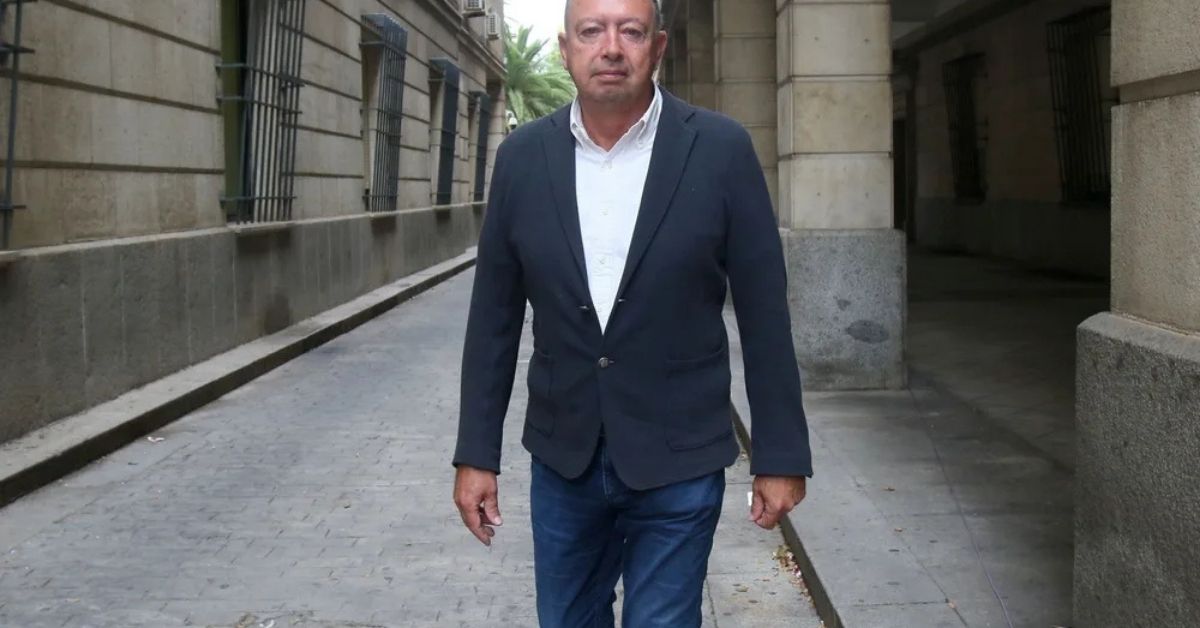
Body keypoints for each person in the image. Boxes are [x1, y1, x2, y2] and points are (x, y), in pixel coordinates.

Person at [452, 0, 811, 625]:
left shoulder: (720, 150)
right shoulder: (522, 159)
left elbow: (763, 315)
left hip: (680, 455)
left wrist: (779, 455)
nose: (611, 47)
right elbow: (493, 320)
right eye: (591, 31)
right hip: (565, 459)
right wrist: (475, 454)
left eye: (631, 31)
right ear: (566, 49)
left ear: (659, 46)